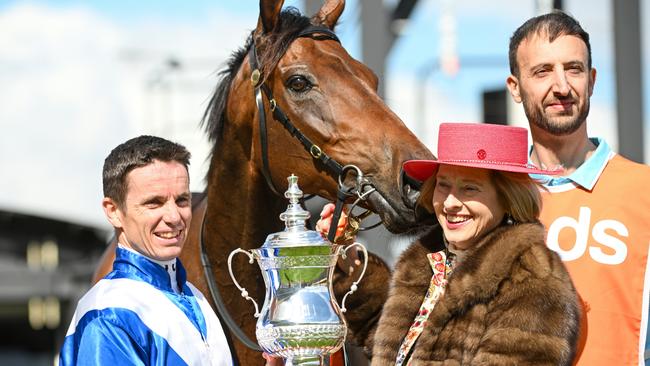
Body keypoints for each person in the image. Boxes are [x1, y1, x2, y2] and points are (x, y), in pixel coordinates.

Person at [291, 123, 579, 366]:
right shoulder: (428, 261)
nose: (451, 203)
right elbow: (389, 346)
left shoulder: (534, 279)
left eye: (470, 188)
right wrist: (351, 266)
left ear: (507, 197)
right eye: (443, 185)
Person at [505, 11, 650, 365]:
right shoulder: (495, 198)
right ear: (515, 88)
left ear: (592, 79)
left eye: (574, 68)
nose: (562, 86)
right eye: (542, 71)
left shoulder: (643, 190)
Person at [59, 135, 233, 365]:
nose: (174, 217)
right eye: (154, 203)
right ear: (113, 211)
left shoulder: (194, 296)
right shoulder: (109, 312)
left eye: (182, 200)